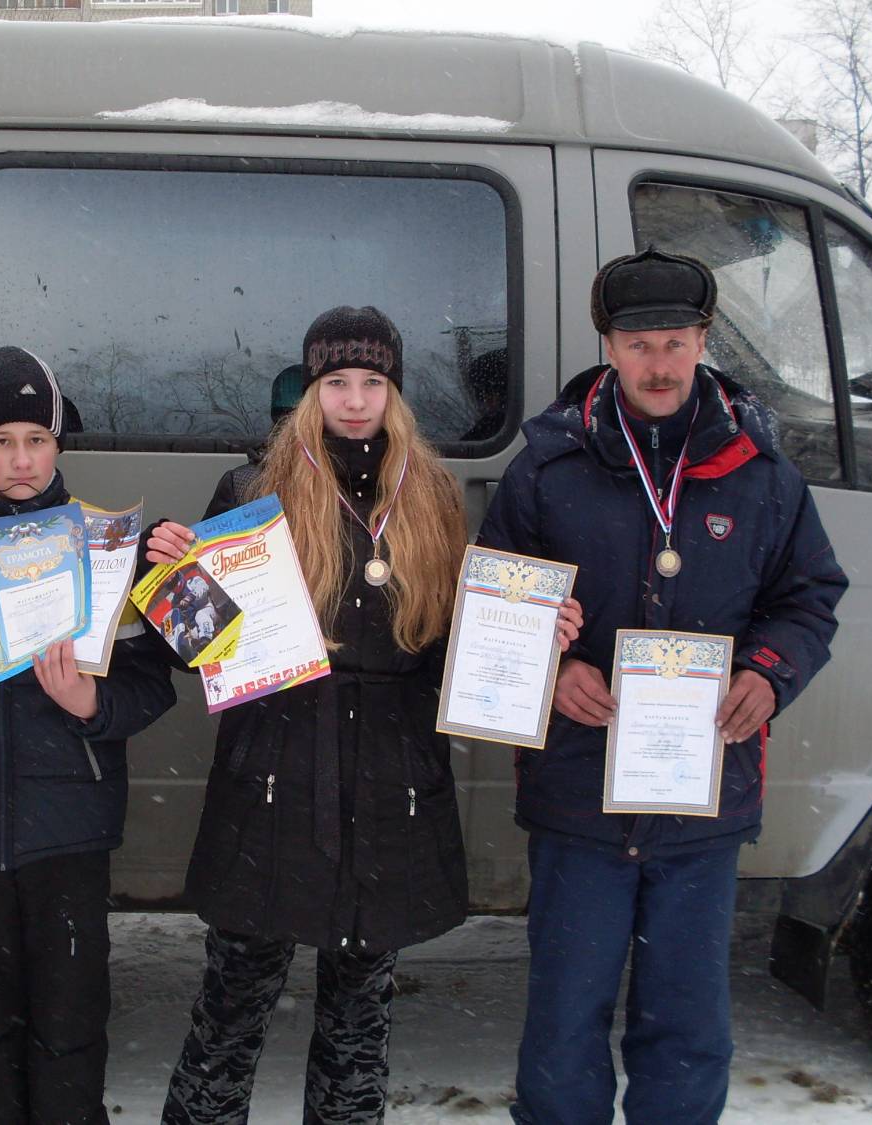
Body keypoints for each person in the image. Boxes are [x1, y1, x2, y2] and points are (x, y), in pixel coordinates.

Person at [152, 306, 572, 1124]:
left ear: (394, 392)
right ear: (311, 390)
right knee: (232, 1008)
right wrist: (169, 575)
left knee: (358, 1021)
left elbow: (448, 654)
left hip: (389, 783)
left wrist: (530, 638)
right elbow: (193, 651)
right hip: (273, 779)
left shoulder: (432, 497)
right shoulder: (252, 491)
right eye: (336, 381)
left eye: (372, 382)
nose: (354, 399)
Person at [478, 247, 848, 1125]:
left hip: (703, 795)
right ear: (608, 347)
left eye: (676, 343)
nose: (659, 365)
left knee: (687, 1024)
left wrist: (769, 672)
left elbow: (809, 596)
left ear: (703, 341)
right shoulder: (548, 467)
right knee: (564, 1020)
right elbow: (492, 604)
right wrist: (551, 667)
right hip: (578, 794)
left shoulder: (761, 470)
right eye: (639, 344)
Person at [0, 345, 176, 1124]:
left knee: (70, 1026)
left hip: (69, 830)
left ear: (58, 445)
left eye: (36, 439)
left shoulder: (106, 542)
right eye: (2, 441)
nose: (21, 459)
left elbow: (151, 684)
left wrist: (92, 704)